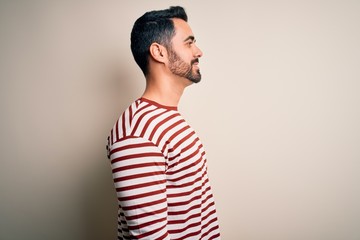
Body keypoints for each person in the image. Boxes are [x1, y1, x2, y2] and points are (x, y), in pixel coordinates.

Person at [106, 6, 220, 240]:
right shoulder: (137, 134)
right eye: (189, 43)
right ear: (159, 52)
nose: (199, 51)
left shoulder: (165, 120)